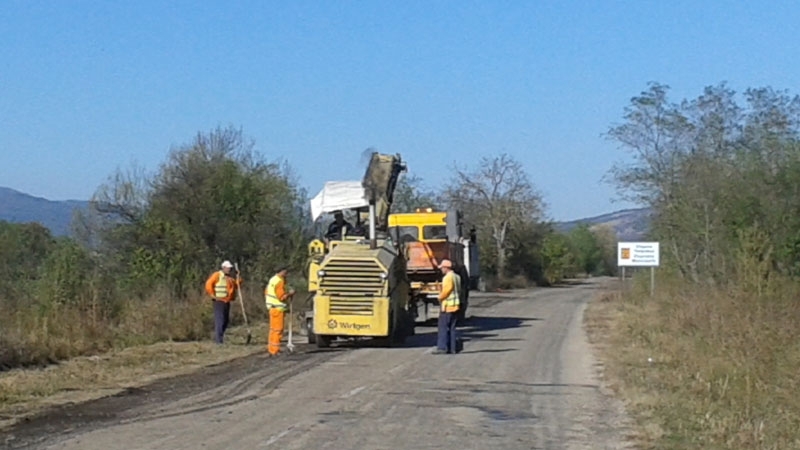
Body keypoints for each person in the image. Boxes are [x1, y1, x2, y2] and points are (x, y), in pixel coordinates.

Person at [204, 260, 241, 344]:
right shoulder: (217, 275)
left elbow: (237, 285)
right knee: (220, 320)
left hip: (226, 301)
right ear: (223, 268)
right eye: (228, 268)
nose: (229, 269)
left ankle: (220, 337)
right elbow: (208, 284)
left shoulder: (230, 278)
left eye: (230, 268)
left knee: (226, 320)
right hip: (218, 301)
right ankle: (218, 340)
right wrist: (212, 295)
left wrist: (238, 276)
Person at [265, 267, 296, 355]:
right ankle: (275, 350)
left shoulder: (272, 280)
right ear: (281, 272)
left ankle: (271, 349)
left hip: (272, 308)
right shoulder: (279, 281)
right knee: (278, 330)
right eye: (285, 273)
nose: (286, 274)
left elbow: (266, 292)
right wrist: (290, 294)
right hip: (277, 309)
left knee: (273, 330)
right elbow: (281, 297)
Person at [434, 259, 461, 354]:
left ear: (446, 268)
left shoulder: (448, 277)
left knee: (443, 327)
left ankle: (442, 348)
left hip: (448, 306)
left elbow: (447, 290)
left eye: (442, 268)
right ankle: (452, 348)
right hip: (455, 306)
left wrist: (440, 297)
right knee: (452, 328)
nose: (441, 270)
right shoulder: (457, 277)